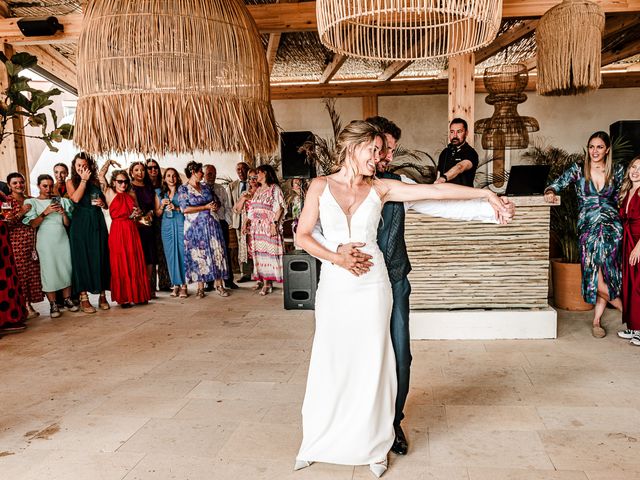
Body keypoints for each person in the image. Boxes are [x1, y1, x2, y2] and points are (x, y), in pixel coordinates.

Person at [294, 120, 508, 477]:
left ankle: (376, 444)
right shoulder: (319, 186)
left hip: (374, 285)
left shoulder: (383, 188)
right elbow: (302, 236)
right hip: (335, 284)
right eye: (374, 151)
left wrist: (486, 195)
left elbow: (435, 193)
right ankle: (318, 438)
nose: (379, 158)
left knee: (374, 360)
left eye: (381, 152)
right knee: (330, 358)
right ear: (353, 148)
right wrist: (336, 256)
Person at [545, 131, 624, 338]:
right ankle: (632, 315)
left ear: (607, 149)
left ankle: (597, 321)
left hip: (612, 229)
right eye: (591, 146)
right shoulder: (578, 170)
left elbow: (627, 194)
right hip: (587, 230)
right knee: (594, 276)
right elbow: (556, 184)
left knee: (608, 274)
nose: (594, 151)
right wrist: (551, 192)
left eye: (599, 147)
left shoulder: (617, 170)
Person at [24, 175, 78, 318]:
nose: (48, 189)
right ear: (38, 186)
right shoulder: (32, 202)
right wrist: (45, 212)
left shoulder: (62, 201)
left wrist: (63, 213)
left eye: (50, 185)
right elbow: (33, 224)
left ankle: (67, 299)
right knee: (49, 270)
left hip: (62, 238)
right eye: (44, 186)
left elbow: (67, 224)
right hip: (45, 241)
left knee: (66, 267)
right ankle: (53, 304)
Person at [99, 163, 150, 308]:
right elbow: (101, 175)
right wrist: (108, 162)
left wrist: (137, 213)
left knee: (135, 260)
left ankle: (138, 295)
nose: (123, 184)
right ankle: (125, 297)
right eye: (120, 181)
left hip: (131, 229)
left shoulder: (131, 194)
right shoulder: (109, 192)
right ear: (114, 182)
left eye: (125, 181)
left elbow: (138, 210)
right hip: (118, 230)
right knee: (120, 262)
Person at [178, 161, 230, 298]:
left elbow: (217, 201)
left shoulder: (206, 187)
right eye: (201, 171)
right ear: (193, 172)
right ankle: (200, 287)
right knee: (199, 254)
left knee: (216, 252)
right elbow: (185, 209)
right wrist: (205, 207)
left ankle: (219, 285)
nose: (203, 174)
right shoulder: (183, 189)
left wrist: (214, 206)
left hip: (212, 224)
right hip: (195, 227)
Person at [67, 153, 111, 313]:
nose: (81, 168)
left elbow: (105, 204)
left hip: (97, 221)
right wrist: (83, 180)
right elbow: (76, 199)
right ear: (74, 166)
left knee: (100, 256)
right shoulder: (70, 182)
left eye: (84, 166)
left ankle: (102, 295)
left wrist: (103, 204)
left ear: (89, 166)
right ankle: (84, 297)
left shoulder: (96, 182)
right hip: (80, 224)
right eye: (78, 165)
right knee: (81, 259)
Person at [5, 173, 43, 319]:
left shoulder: (30, 199)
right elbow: (7, 223)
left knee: (32, 273)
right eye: (15, 183)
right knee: (21, 275)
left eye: (21, 182)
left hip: (33, 241)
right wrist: (22, 212)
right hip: (17, 243)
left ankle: (30, 304)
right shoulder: (7, 201)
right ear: (9, 186)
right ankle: (23, 305)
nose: (19, 185)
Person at [247, 164, 285, 295]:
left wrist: (274, 224)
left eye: (259, 172)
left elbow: (280, 207)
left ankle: (285, 283)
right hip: (257, 227)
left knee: (272, 253)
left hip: (269, 225)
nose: (257, 175)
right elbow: (252, 208)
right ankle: (266, 283)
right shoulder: (258, 190)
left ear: (266, 174)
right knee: (261, 254)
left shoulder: (274, 189)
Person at [204, 164, 238, 290]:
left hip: (221, 222)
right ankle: (209, 282)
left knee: (225, 251)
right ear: (203, 174)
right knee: (209, 252)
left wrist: (227, 222)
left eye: (213, 173)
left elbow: (228, 206)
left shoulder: (221, 189)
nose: (211, 176)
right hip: (207, 223)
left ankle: (228, 280)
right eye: (208, 173)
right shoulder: (200, 189)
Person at [155, 167, 188, 298]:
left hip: (180, 222)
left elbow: (187, 208)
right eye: (168, 176)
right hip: (166, 225)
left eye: (174, 175)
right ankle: (175, 285)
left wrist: (177, 207)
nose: (171, 178)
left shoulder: (182, 191)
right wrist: (162, 206)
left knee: (181, 253)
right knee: (170, 256)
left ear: (177, 177)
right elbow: (157, 213)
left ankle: (184, 285)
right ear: (164, 178)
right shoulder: (159, 192)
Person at [618, 156, 640, 343]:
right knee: (630, 285)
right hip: (628, 241)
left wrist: (639, 248)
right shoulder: (628, 190)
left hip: (638, 243)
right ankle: (634, 327)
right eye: (633, 166)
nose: (636, 171)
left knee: (639, 286)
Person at [0, 191, 27, 334]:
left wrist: (8, 217)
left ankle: (11, 318)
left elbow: (7, 215)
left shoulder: (2, 195)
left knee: (8, 276)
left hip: (4, 242)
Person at [130, 161, 159, 298]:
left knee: (150, 256)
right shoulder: (129, 187)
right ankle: (139, 287)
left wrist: (151, 213)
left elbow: (154, 205)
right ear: (132, 172)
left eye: (142, 170)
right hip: (135, 225)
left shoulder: (149, 187)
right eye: (136, 170)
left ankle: (148, 286)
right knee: (139, 255)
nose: (140, 172)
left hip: (149, 224)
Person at [146, 158, 172, 292]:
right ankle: (150, 286)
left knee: (163, 251)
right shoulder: (143, 186)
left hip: (163, 221)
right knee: (150, 254)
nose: (153, 170)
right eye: (149, 168)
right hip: (147, 222)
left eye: (155, 167)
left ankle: (165, 282)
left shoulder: (163, 186)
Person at [233, 168, 260, 288]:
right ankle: (246, 274)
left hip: (259, 225)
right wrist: (243, 198)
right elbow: (236, 210)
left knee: (258, 250)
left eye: (255, 177)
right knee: (247, 251)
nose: (252, 180)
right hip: (247, 227)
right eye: (250, 178)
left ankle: (260, 276)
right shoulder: (245, 193)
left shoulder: (262, 192)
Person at [435, 118, 479, 187]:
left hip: (463, 195)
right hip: (445, 195)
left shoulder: (471, 152)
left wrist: (443, 178)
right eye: (452, 132)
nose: (455, 136)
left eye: (459, 132)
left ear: (466, 133)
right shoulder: (445, 152)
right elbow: (438, 174)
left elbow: (460, 167)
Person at [228, 161, 252, 282]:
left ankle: (258, 273)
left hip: (253, 221)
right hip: (239, 221)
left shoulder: (254, 183)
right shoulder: (232, 186)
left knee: (253, 246)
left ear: (248, 170)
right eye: (238, 169)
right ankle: (245, 274)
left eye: (243, 169)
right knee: (242, 248)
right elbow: (230, 205)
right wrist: (232, 222)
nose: (240, 171)